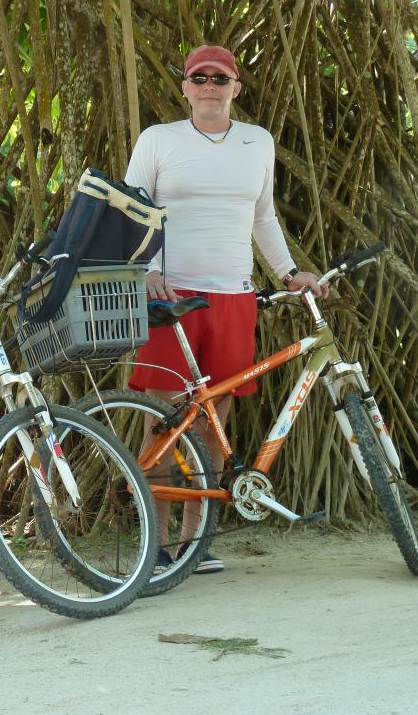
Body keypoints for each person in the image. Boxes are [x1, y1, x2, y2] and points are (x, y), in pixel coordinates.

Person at [124, 45, 329, 574]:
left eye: (220, 78)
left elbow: (264, 216)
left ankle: (199, 540)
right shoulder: (158, 140)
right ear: (186, 87)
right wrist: (146, 272)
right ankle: (158, 544)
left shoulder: (257, 142)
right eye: (199, 77)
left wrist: (287, 273)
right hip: (172, 298)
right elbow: (132, 212)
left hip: (235, 296)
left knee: (217, 420)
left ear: (236, 88)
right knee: (164, 421)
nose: (209, 86)